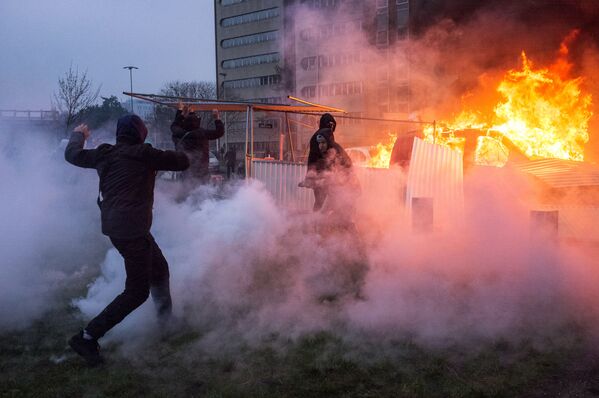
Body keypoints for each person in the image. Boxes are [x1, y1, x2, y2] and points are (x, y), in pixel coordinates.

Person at [64, 115, 190, 366]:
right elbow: (183, 161)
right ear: (140, 134)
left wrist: (79, 134)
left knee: (160, 269)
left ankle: (166, 322)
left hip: (117, 226)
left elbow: (72, 154)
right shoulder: (145, 154)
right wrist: (182, 134)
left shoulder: (105, 154)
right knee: (137, 292)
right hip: (131, 229)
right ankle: (87, 337)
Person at [171, 104, 224, 185]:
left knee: (187, 194)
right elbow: (219, 132)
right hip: (202, 173)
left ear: (183, 122)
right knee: (202, 194)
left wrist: (180, 113)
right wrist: (217, 118)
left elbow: (174, 126)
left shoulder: (179, 133)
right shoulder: (203, 133)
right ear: (197, 121)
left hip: (186, 172)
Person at [304, 113, 337, 211]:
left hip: (324, 175)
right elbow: (315, 158)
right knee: (321, 201)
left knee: (326, 201)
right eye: (329, 124)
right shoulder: (319, 137)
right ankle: (317, 222)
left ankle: (319, 221)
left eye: (333, 125)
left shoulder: (326, 135)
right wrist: (312, 176)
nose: (331, 127)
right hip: (319, 175)